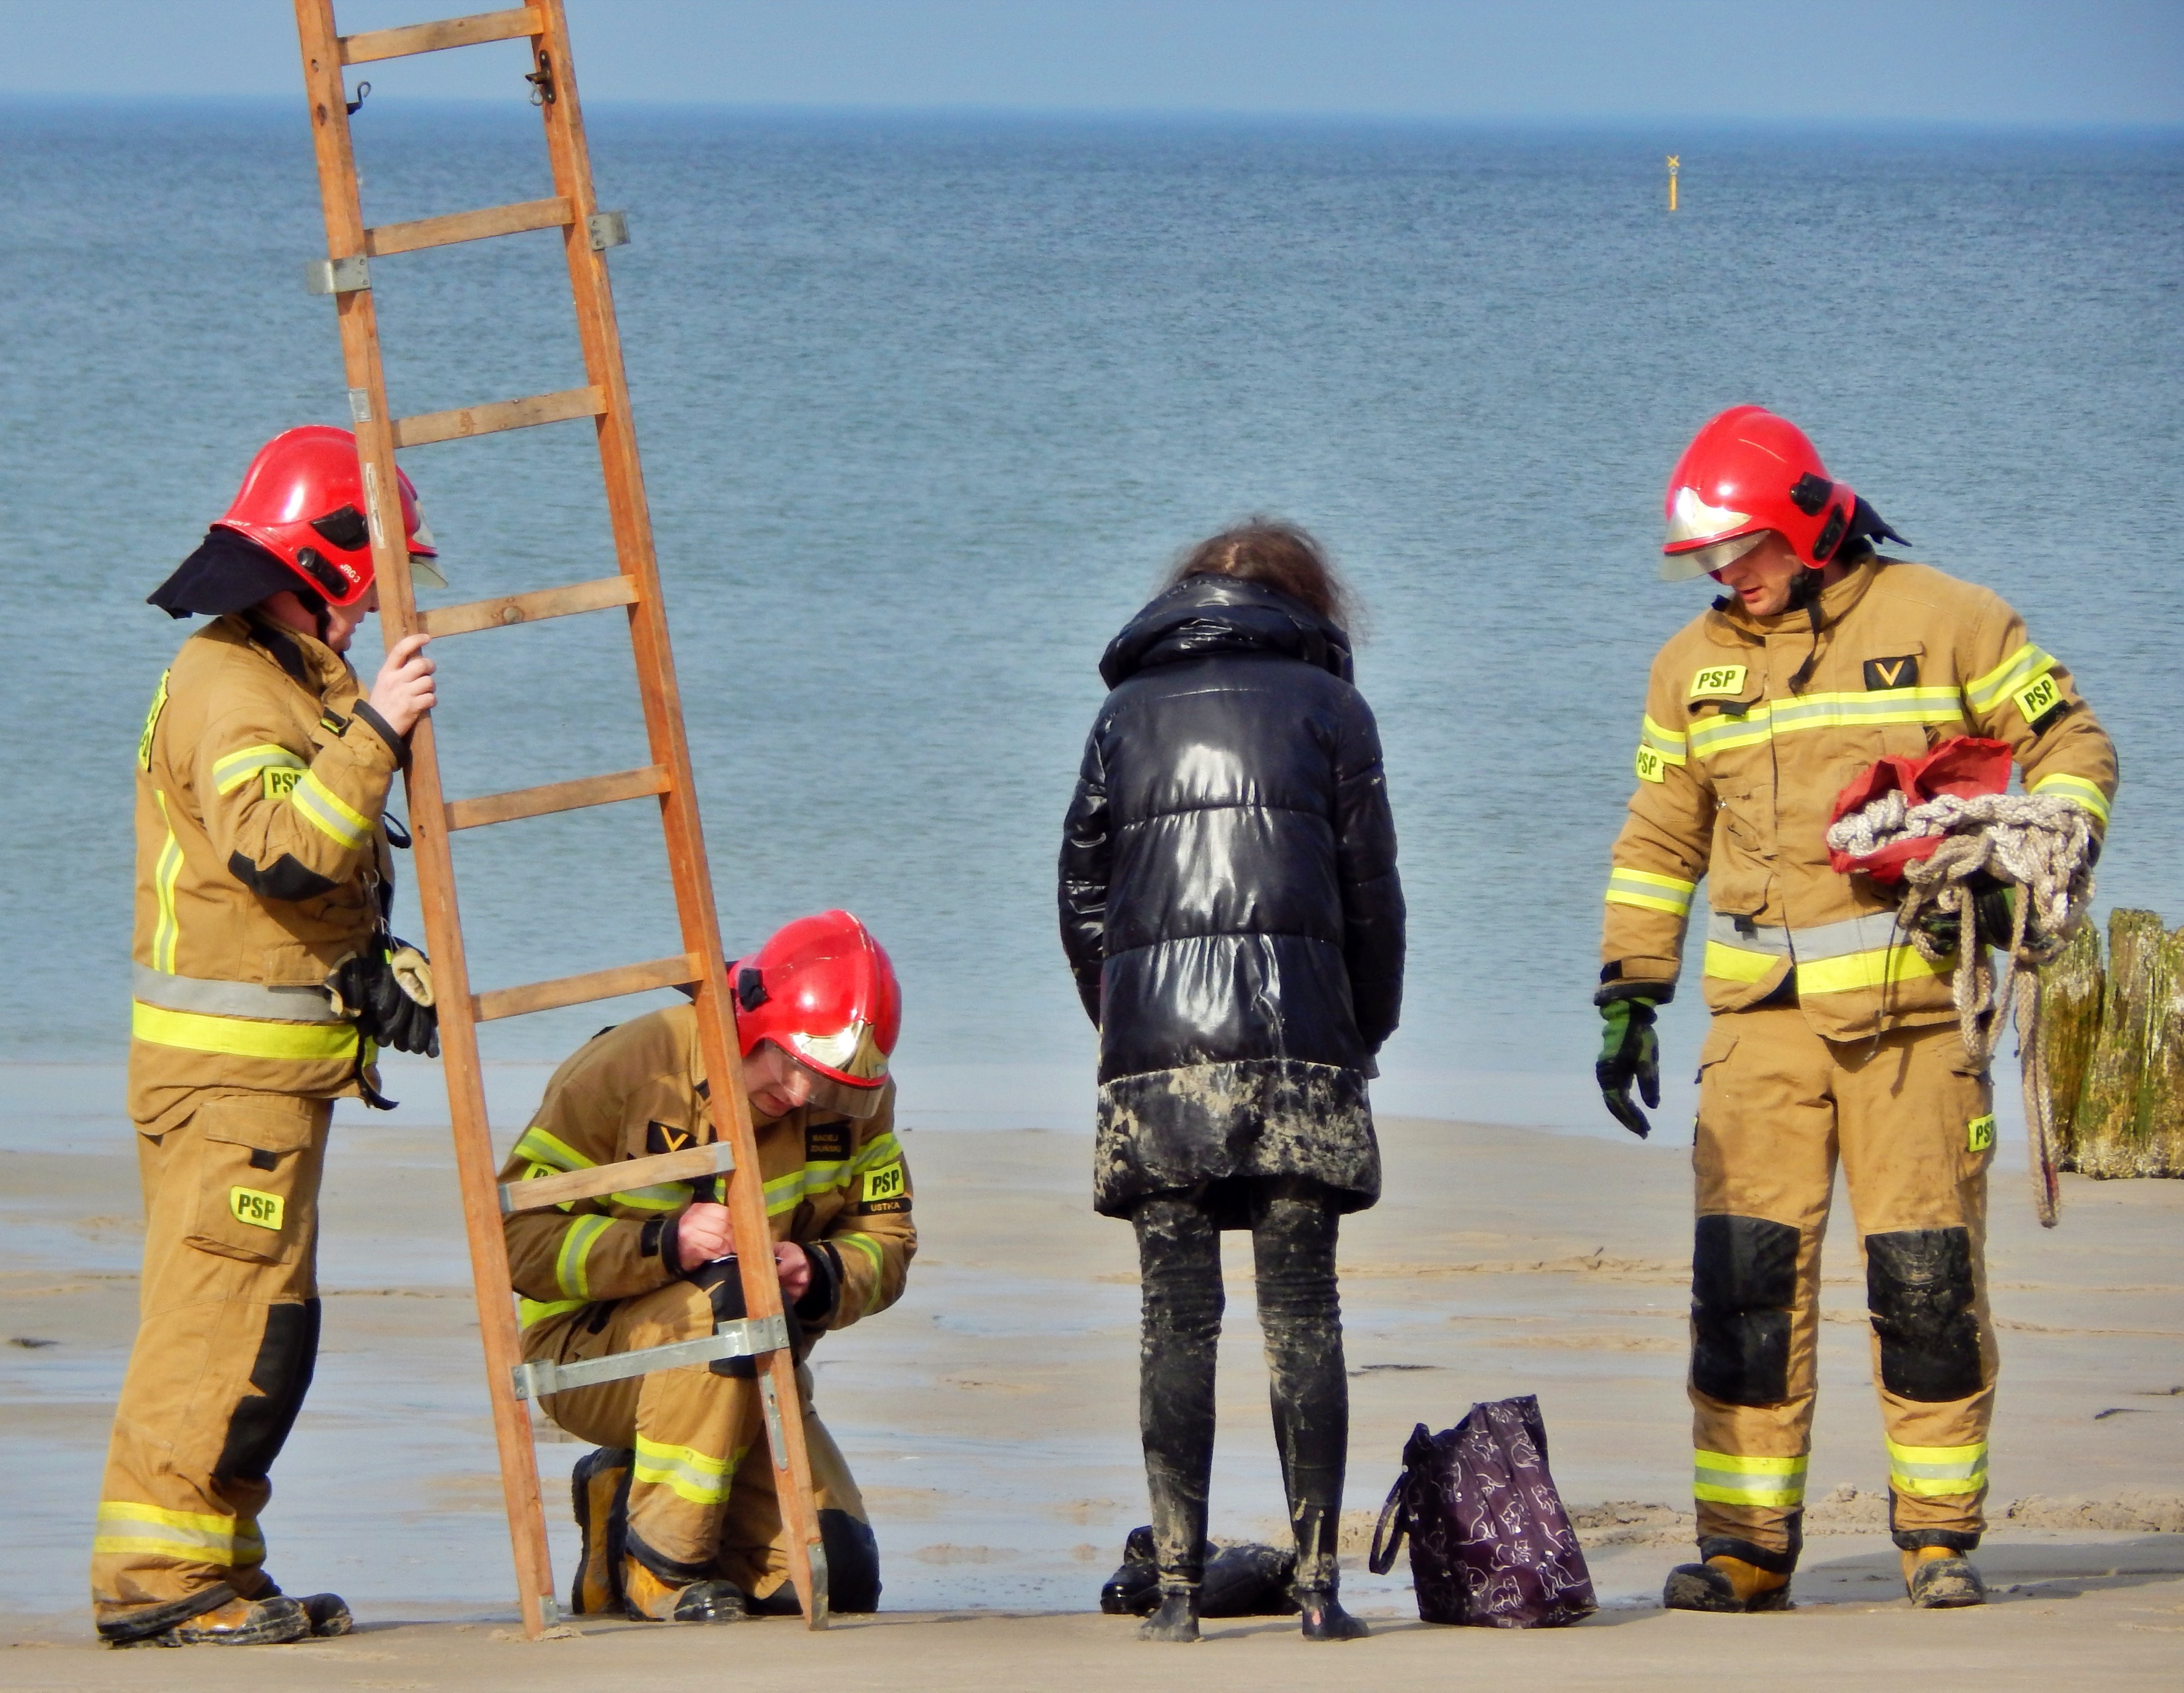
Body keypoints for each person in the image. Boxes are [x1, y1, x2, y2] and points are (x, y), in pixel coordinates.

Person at [1594, 406, 2117, 1613]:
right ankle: (1745, 1544)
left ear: (1809, 523)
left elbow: (2073, 738)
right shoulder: (1691, 668)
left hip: (1917, 1020)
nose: (1731, 578)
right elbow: (1660, 834)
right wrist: (1629, 988)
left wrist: (2056, 834)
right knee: (1742, 1285)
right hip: (1758, 1030)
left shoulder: (1952, 620)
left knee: (1925, 1279)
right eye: (1712, 564)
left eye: (1746, 554)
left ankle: (1938, 1536)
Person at [96, 426, 444, 1646]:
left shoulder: (276, 671)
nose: (374, 611)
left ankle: (221, 1561)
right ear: (327, 556)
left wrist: (369, 970)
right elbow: (281, 846)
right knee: (216, 1323)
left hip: (266, 1082)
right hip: (228, 1086)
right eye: (374, 577)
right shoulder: (233, 683)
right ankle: (157, 1579)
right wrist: (381, 730)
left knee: (264, 1336)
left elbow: (286, 887)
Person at [1058, 521, 1405, 1643]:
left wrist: (1125, 1022)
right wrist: (1367, 1030)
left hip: (1158, 1060)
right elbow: (1372, 898)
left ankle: (1173, 1592)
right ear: (1311, 599)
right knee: (1304, 1312)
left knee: (1176, 1319)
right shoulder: (1332, 709)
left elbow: (1081, 896)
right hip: (1302, 1043)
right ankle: (1316, 1588)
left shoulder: (1122, 712)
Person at [502, 910, 913, 1623]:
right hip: (592, 1353)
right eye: (789, 1070)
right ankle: (660, 1567)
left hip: (754, 1365)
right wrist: (661, 1244)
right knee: (732, 1298)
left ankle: (619, 1504)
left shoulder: (855, 1102)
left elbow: (888, 1240)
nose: (798, 1098)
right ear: (753, 1023)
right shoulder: (628, 1071)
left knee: (835, 1580)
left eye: (829, 1090)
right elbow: (517, 1242)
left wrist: (818, 1273)